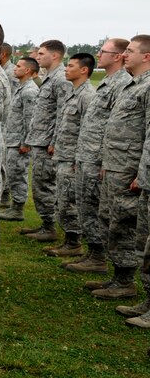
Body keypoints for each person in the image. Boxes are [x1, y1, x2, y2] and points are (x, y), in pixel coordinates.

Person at [88, 36, 150, 305]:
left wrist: (142, 174)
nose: (125, 54)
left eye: (130, 51)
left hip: (130, 171)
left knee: (125, 225)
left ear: (147, 56)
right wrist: (106, 163)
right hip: (115, 167)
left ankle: (125, 281)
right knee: (110, 221)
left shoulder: (147, 87)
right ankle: (118, 277)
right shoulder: (132, 85)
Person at [64, 39, 131, 272]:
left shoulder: (122, 84)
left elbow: (116, 127)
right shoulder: (107, 82)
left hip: (99, 158)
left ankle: (99, 257)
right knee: (85, 205)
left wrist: (103, 159)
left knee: (95, 207)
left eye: (103, 51)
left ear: (118, 56)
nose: (98, 54)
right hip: (87, 155)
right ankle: (93, 253)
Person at [42, 54, 97, 257]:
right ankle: (69, 240)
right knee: (62, 199)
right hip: (63, 155)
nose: (66, 69)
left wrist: (78, 158)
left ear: (84, 70)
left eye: (71, 66)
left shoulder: (87, 95)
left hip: (74, 157)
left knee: (70, 200)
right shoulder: (73, 93)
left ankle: (74, 242)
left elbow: (88, 130)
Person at [19, 40, 69, 242]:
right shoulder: (50, 77)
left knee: (45, 185)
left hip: (47, 142)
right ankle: (46, 224)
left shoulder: (61, 79)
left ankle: (50, 227)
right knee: (40, 185)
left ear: (54, 55)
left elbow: (63, 112)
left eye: (41, 54)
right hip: (40, 140)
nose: (37, 57)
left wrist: (54, 141)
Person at [0, 57, 40, 221]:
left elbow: (30, 119)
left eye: (19, 66)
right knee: (12, 172)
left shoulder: (29, 91)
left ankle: (18, 209)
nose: (15, 68)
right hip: (12, 139)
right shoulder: (21, 88)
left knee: (17, 174)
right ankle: (13, 205)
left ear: (27, 70)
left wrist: (25, 142)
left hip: (19, 142)